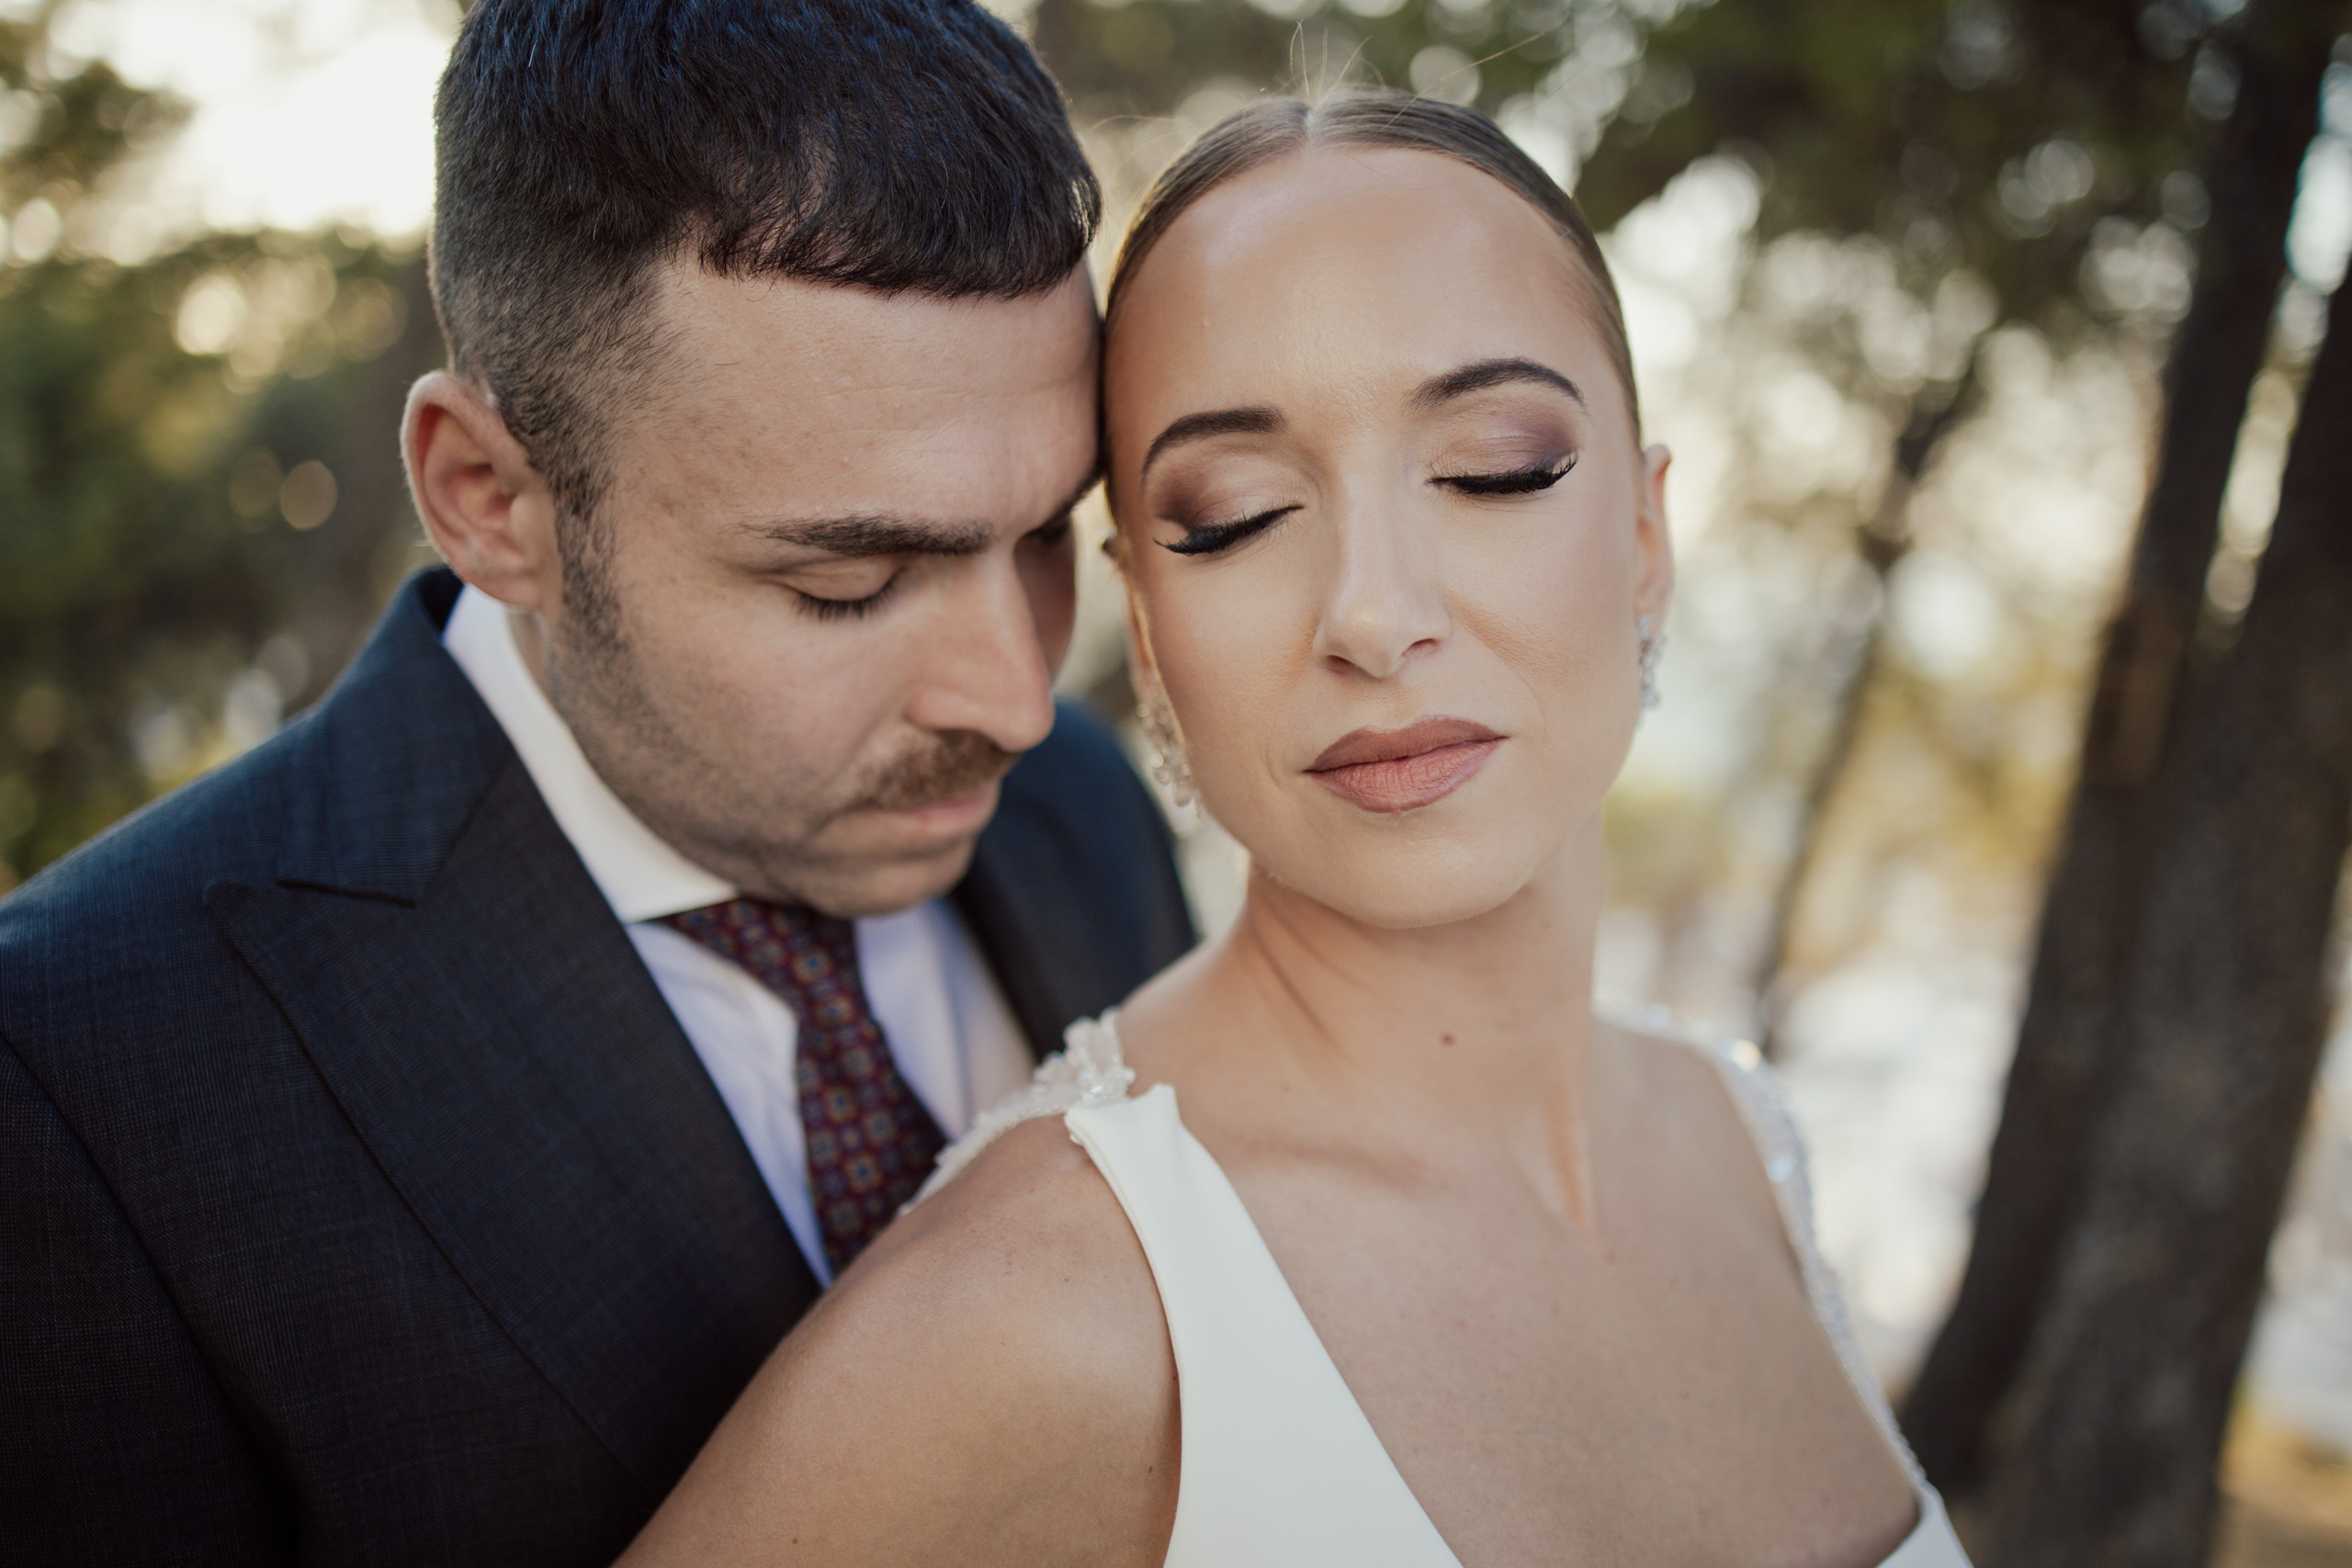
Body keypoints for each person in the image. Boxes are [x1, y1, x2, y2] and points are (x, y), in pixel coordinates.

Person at [618, 93, 1976, 1567]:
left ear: (1647, 540)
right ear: (1145, 621)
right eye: (1236, 514)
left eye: (1493, 467)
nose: (1375, 617)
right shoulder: (1042, 1311)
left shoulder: (1737, 1136)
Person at [0, 1, 1192, 1562]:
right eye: (852, 584)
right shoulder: (81, 1084)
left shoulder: (1087, 815)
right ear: (489, 499)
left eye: (1046, 535)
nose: (1021, 701)